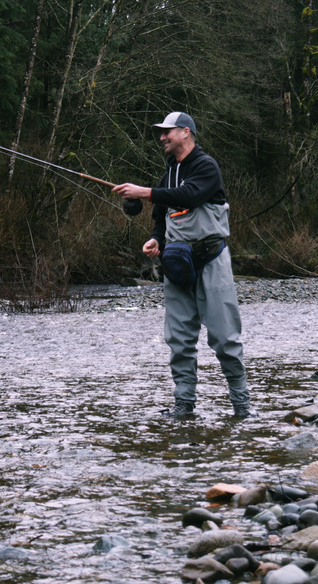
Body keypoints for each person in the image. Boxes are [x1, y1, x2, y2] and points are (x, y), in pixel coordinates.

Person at [112, 112, 255, 419]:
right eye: (160, 133)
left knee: (225, 338)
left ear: (186, 133)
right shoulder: (170, 172)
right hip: (177, 263)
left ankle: (242, 407)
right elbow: (161, 215)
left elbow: (190, 196)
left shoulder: (206, 166)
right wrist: (156, 240)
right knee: (178, 339)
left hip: (212, 260)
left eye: (167, 132)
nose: (162, 137)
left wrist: (145, 192)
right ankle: (183, 405)